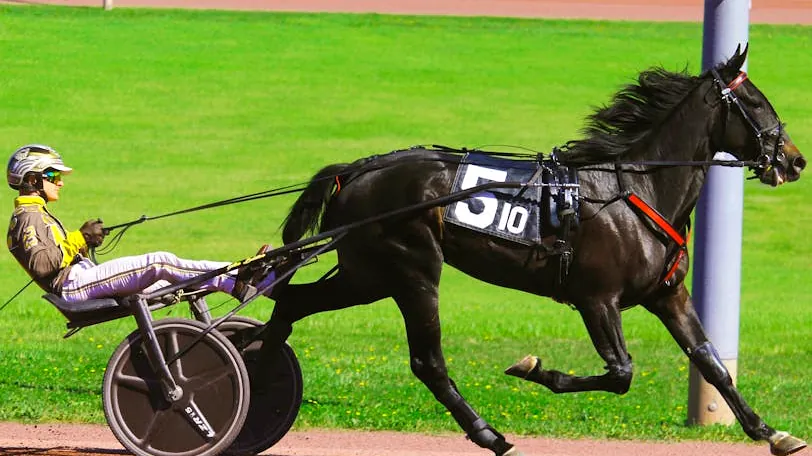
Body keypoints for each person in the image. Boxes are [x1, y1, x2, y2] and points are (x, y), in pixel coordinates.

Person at [6, 144, 271, 305]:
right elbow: (42, 265)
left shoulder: (36, 214)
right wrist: (80, 237)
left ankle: (248, 275)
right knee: (160, 262)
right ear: (31, 179)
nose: (60, 181)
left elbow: (54, 255)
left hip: (80, 279)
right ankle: (237, 281)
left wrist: (85, 242)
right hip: (73, 287)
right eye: (53, 175)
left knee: (175, 276)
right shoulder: (28, 219)